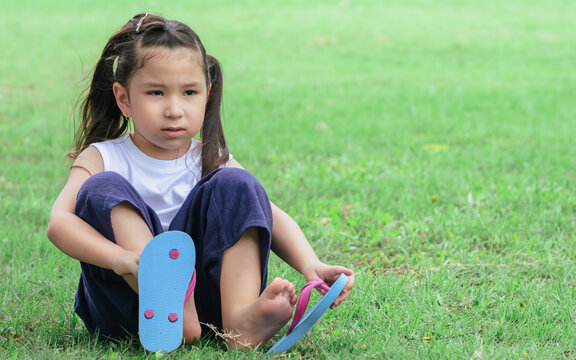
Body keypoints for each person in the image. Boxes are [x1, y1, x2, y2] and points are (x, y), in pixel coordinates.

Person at [46, 13, 355, 350]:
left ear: (207, 94)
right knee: (101, 187)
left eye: (189, 92)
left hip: (208, 308)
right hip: (128, 306)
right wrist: (121, 260)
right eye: (156, 93)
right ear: (124, 99)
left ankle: (240, 322)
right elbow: (59, 223)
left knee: (239, 185)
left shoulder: (210, 158)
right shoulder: (103, 157)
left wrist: (310, 263)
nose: (174, 109)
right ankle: (170, 307)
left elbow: (267, 213)